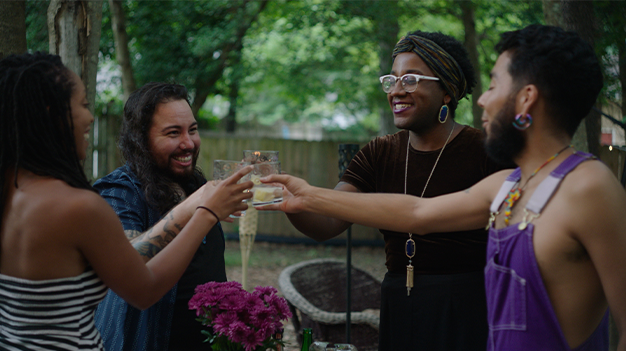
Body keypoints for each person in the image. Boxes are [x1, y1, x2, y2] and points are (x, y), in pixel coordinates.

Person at [260, 25, 625, 351]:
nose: (481, 98)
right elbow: (417, 213)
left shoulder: (589, 187)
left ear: (526, 97)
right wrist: (306, 196)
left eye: (494, 84)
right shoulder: (509, 185)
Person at [0, 53, 251, 350]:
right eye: (82, 105)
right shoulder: (82, 205)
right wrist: (206, 211)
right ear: (51, 114)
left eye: (192, 130)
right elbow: (142, 289)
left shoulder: (13, 193)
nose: (90, 118)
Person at [277, 30, 506, 350]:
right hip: (399, 298)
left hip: (465, 303)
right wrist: (292, 205)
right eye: (392, 80)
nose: (397, 91)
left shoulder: (485, 151)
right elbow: (326, 224)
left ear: (446, 91)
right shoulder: (379, 152)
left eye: (411, 80)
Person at [92, 82, 232, 351]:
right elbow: (129, 260)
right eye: (173, 133)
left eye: (192, 130)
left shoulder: (193, 184)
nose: (188, 143)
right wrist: (196, 208)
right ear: (141, 139)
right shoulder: (119, 192)